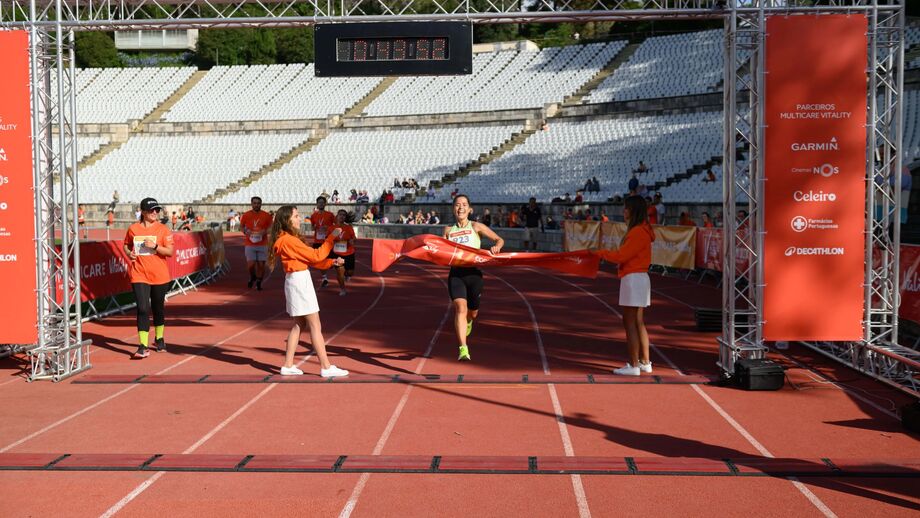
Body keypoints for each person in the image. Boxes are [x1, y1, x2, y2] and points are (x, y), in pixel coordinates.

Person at [266, 205, 348, 378]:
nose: (299, 218)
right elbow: (316, 256)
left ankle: (288, 364)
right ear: (286, 220)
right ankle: (326, 366)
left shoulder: (288, 239)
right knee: (314, 325)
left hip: (296, 280)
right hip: (299, 282)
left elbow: (311, 260)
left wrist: (331, 263)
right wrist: (331, 238)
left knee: (299, 324)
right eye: (295, 216)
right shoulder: (289, 240)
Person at [591, 195, 654, 376]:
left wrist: (600, 253)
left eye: (626, 208)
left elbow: (621, 256)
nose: (623, 211)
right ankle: (644, 362)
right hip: (639, 277)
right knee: (638, 322)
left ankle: (634, 365)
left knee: (629, 322)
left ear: (633, 211)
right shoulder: (643, 230)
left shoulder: (637, 232)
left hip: (633, 278)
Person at [443, 195, 504, 361]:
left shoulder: (476, 227)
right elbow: (441, 251)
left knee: (473, 313)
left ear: (470, 209)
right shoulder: (448, 231)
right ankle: (463, 348)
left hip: (474, 275)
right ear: (453, 209)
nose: (460, 208)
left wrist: (496, 247)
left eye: (464, 205)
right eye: (457, 205)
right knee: (460, 308)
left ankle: (469, 321)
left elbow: (499, 239)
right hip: (456, 275)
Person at [124, 198, 174, 359]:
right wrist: (128, 253)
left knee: (158, 308)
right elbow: (126, 244)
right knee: (143, 308)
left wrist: (156, 247)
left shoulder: (163, 229)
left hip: (160, 275)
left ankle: (159, 339)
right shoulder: (133, 229)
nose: (155, 213)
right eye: (152, 210)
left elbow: (170, 252)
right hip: (139, 274)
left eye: (157, 210)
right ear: (143, 212)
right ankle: (142, 346)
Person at [240, 196, 273, 290]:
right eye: (254, 203)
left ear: (261, 204)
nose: (256, 205)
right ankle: (252, 276)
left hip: (262, 243)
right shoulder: (246, 215)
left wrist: (265, 232)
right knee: (251, 264)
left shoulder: (266, 215)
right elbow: (241, 227)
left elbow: (271, 227)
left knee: (261, 265)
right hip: (250, 243)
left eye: (258, 203)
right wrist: (246, 232)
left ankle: (259, 281)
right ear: (251, 204)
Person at [310, 196, 336, 288]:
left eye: (322, 202)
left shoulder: (330, 215)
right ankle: (324, 278)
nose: (321, 204)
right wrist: (315, 227)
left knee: (330, 260)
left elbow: (336, 225)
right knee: (320, 260)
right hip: (317, 240)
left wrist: (327, 228)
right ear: (316, 204)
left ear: (325, 204)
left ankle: (332, 266)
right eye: (319, 202)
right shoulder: (313, 215)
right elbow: (312, 227)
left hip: (327, 241)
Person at [330, 209, 357, 296]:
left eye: (344, 215)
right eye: (340, 214)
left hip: (349, 253)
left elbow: (354, 238)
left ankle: (347, 275)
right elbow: (328, 239)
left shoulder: (348, 227)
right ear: (337, 216)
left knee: (350, 272)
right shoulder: (332, 228)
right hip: (337, 253)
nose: (342, 216)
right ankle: (342, 289)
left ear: (345, 217)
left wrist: (352, 241)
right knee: (339, 271)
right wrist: (332, 241)